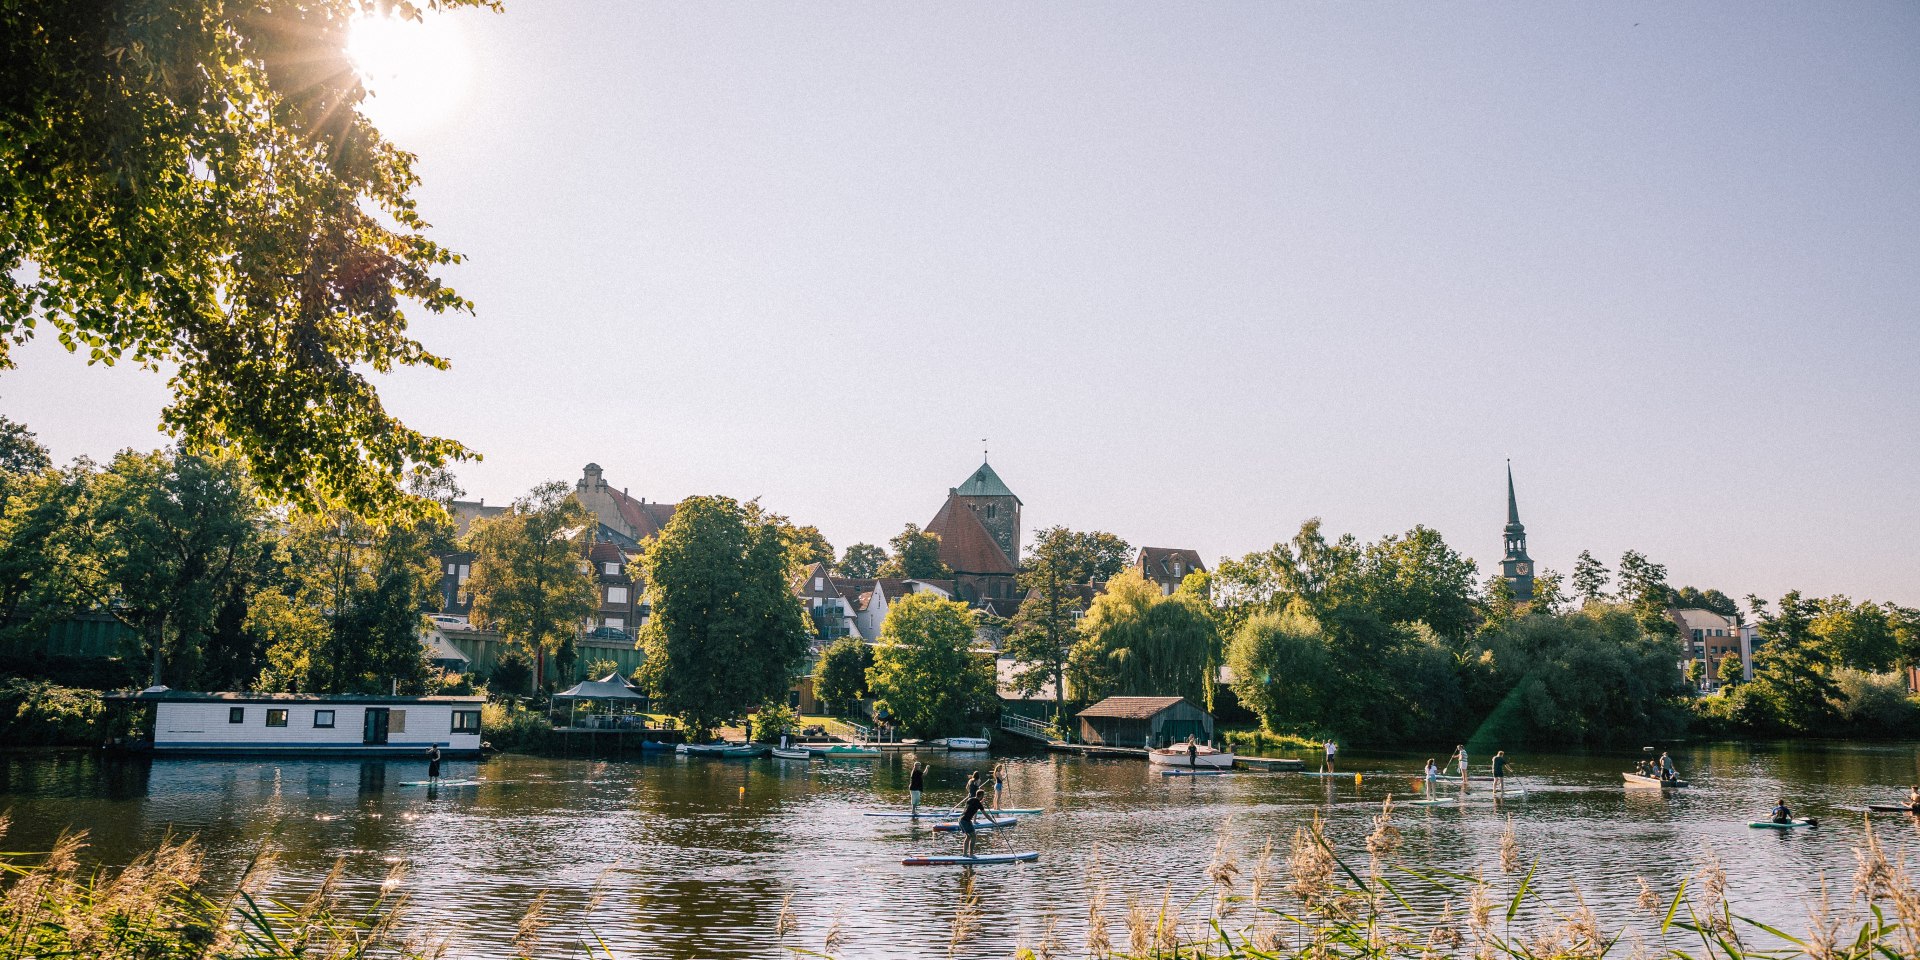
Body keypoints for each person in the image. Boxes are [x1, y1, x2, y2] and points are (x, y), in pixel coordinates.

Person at [957, 785, 1000, 858]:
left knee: (968, 836)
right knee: (973, 836)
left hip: (961, 819)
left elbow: (971, 806)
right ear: (981, 796)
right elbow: (986, 815)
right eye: (983, 796)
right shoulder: (979, 804)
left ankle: (965, 854)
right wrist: (994, 822)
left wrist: (980, 802)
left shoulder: (970, 799)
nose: (984, 797)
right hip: (966, 821)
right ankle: (971, 854)